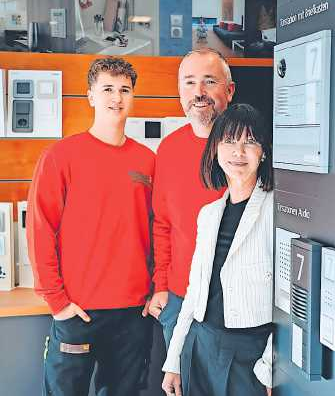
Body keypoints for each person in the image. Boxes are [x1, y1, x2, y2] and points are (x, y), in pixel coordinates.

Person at [27, 57, 155, 396]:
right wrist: (57, 303)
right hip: (77, 313)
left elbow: (158, 229)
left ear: (132, 97)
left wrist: (156, 288)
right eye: (108, 89)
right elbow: (41, 230)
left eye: (124, 90)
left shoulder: (147, 161)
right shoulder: (60, 156)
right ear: (91, 97)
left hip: (133, 313)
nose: (117, 97)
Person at [162, 103, 274, 396]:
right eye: (229, 141)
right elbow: (194, 290)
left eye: (250, 141)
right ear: (215, 149)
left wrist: (271, 370)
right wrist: (173, 360)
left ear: (263, 152)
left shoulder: (277, 211)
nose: (238, 152)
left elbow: (289, 304)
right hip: (200, 344)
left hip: (250, 354)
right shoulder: (209, 213)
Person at [148, 49, 235, 347]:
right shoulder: (168, 149)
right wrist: (161, 286)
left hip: (234, 304)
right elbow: (162, 225)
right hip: (179, 299)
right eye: (189, 82)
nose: (198, 92)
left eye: (209, 81)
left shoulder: (246, 151)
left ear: (229, 90)